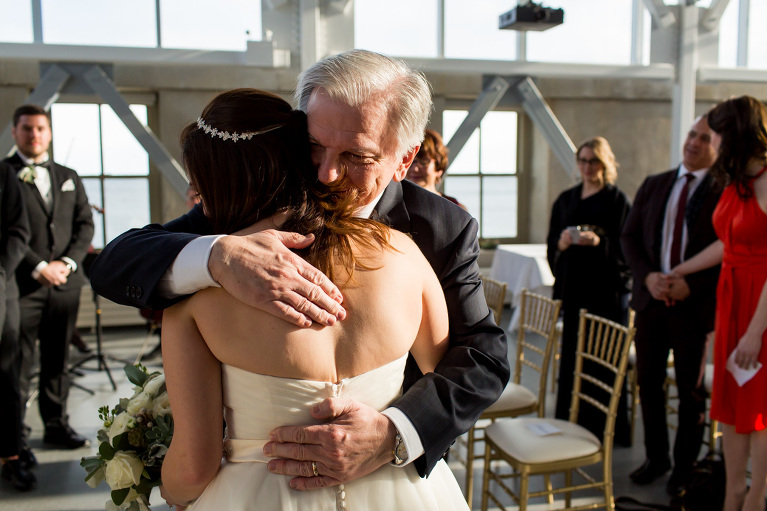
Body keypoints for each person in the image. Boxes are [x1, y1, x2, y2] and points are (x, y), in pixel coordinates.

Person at [89, 49, 509, 488]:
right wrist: (218, 257)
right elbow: (117, 263)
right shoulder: (258, 201)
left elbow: (482, 356)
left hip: (389, 477)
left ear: (404, 159)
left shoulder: (441, 228)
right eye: (313, 146)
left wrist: (395, 434)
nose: (326, 174)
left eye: (357, 156)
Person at [159, 88, 469, 510]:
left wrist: (160, 484)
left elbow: (193, 469)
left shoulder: (193, 300)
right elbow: (442, 369)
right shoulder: (405, 254)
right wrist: (395, 428)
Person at [669, 95, 767, 511]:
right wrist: (682, 269)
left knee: (759, 403)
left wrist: (753, 332)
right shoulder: (735, 179)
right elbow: (728, 245)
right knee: (728, 402)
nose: (716, 140)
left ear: (738, 133)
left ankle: (756, 495)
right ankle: (733, 494)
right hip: (731, 297)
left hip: (760, 307)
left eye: (721, 133)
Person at [620, 115, 721, 496]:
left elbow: (729, 254)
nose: (694, 143)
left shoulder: (723, 192)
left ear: (717, 147)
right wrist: (647, 276)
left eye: (705, 138)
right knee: (649, 383)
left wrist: (689, 286)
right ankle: (657, 458)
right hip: (650, 304)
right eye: (692, 135)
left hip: (691, 309)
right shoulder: (655, 184)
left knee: (690, 391)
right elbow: (629, 237)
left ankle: (685, 467)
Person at [4, 104, 95, 452]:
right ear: (15, 132)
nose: (34, 134)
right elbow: (6, 231)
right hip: (22, 285)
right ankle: (16, 436)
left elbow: (85, 224)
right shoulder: (4, 174)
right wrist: (39, 266)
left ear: (49, 132)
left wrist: (68, 263)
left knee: (58, 359)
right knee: (19, 361)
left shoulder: (68, 174)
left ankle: (57, 427)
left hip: (65, 283)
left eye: (41, 128)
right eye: (27, 128)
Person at [546, 136, 631, 443]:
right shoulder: (566, 199)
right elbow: (552, 242)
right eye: (582, 160)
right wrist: (562, 243)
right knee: (573, 358)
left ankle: (607, 430)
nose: (586, 166)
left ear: (604, 164)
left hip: (605, 295)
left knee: (603, 360)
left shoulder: (616, 200)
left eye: (593, 161)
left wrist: (600, 243)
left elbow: (627, 247)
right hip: (575, 291)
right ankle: (573, 424)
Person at [0, 163, 32, 491]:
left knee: (5, 372)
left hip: (1, 284)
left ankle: (11, 456)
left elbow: (18, 231)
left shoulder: (3, 174)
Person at [406, 129, 467, 210]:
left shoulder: (456, 209)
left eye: (423, 162)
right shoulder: (392, 208)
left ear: (438, 167)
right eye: (411, 162)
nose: (415, 169)